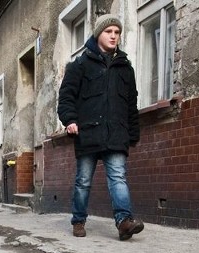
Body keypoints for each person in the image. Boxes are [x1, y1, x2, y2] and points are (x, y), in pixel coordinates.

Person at [57, 13, 144, 241]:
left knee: (118, 177)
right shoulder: (80, 65)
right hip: (88, 131)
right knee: (83, 180)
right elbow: (66, 96)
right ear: (98, 34)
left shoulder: (125, 68)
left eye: (117, 32)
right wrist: (70, 120)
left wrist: (132, 134)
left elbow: (131, 103)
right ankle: (78, 220)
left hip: (116, 132)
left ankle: (124, 222)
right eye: (109, 32)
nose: (113, 36)